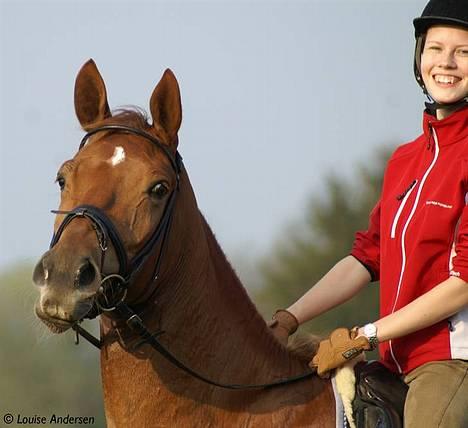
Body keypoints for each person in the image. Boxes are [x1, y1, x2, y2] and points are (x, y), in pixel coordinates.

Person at [268, 1, 468, 426]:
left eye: (464, 52)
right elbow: (366, 256)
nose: (446, 63)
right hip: (393, 362)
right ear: (419, 56)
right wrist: (290, 317)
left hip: (451, 364)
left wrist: (366, 334)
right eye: (435, 48)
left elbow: (464, 282)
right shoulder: (405, 160)